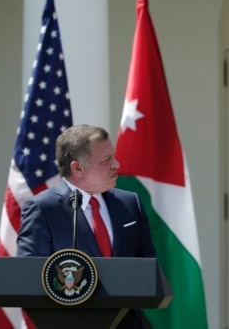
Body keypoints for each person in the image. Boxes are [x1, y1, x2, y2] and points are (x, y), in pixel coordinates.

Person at [17, 124, 157, 329]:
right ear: (77, 168)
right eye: (106, 160)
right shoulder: (43, 209)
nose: (116, 164)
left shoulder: (130, 204)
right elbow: (28, 277)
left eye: (114, 156)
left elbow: (148, 265)